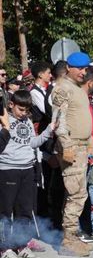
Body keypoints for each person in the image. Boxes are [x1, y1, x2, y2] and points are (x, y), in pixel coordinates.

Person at [0, 90, 56, 258]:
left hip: (27, 170)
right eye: (20, 109)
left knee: (24, 211)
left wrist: (48, 131)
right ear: (11, 105)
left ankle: (21, 244)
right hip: (7, 171)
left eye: (26, 110)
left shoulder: (28, 121)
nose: (23, 114)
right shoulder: (4, 121)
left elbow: (33, 143)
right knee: (5, 211)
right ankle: (4, 247)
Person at [50, 51, 93, 256]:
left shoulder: (78, 89)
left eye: (86, 69)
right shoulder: (62, 89)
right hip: (71, 148)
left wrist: (89, 144)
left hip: (81, 146)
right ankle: (68, 240)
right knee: (75, 193)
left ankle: (72, 237)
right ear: (69, 67)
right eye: (81, 68)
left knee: (79, 193)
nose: (84, 72)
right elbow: (58, 122)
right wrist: (67, 146)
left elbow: (84, 120)